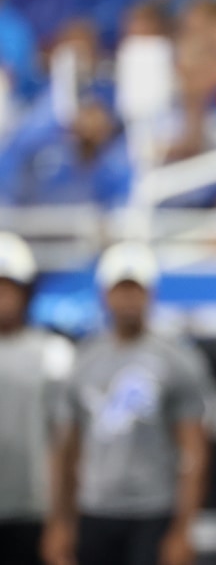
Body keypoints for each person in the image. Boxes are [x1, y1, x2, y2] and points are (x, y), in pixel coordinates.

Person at [43, 242, 211, 565]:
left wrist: (182, 529)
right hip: (95, 509)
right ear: (105, 294)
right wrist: (60, 522)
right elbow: (66, 449)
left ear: (150, 294)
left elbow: (195, 451)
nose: (128, 300)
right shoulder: (82, 360)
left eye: (136, 290)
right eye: (121, 290)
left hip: (154, 510)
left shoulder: (177, 360)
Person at [0, 232, 75, 565]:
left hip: (34, 511)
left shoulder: (54, 354)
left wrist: (62, 520)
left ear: (26, 292)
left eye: (8, 287)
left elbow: (67, 444)